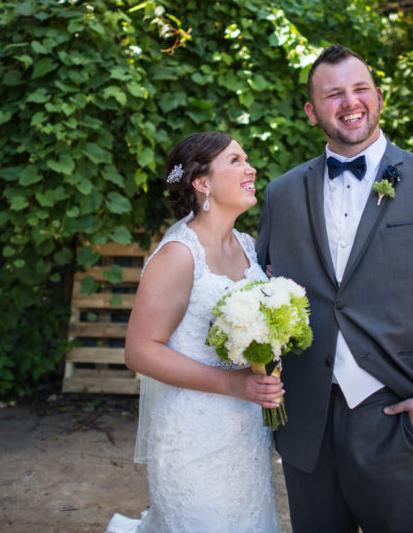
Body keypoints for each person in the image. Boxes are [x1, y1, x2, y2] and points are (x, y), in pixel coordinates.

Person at [256, 45, 413, 532]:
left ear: (378, 97)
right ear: (311, 110)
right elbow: (261, 298)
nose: (350, 102)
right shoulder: (281, 194)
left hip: (394, 415)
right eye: (333, 94)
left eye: (360, 89)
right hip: (307, 424)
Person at [107, 132, 282, 533]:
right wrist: (234, 384)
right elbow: (139, 351)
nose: (250, 167)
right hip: (193, 436)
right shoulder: (178, 254)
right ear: (202, 183)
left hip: (246, 433)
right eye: (236, 161)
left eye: (247, 159)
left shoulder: (248, 246)